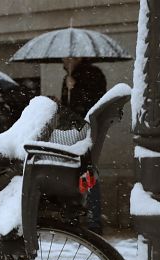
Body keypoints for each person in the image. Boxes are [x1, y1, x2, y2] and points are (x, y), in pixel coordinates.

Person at [60, 57, 107, 234]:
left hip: (86, 132)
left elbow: (92, 104)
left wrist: (76, 87)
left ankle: (93, 220)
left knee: (88, 172)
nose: (64, 62)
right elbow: (68, 108)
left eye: (67, 58)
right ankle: (74, 217)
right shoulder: (69, 77)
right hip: (73, 132)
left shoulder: (91, 74)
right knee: (76, 174)